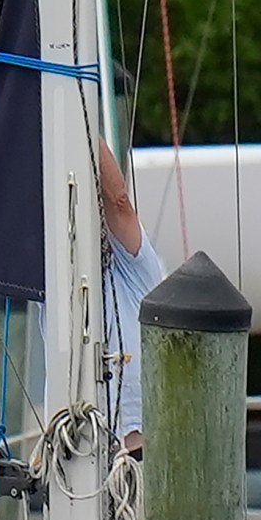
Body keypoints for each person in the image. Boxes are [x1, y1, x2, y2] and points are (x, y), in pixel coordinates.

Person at [99, 142, 168, 454]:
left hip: (134, 454)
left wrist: (80, 119)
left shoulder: (138, 267)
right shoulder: (52, 270)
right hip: (74, 454)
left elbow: (119, 202)